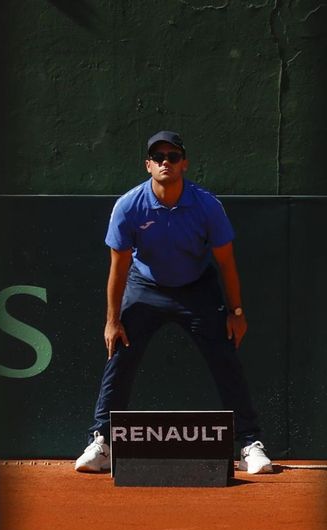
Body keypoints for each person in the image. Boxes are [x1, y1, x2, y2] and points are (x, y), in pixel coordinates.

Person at [75, 130, 273, 476]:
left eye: (173, 156)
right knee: (120, 354)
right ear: (148, 165)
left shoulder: (206, 205)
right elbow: (118, 268)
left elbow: (226, 262)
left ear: (184, 163)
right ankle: (102, 441)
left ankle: (248, 443)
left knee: (224, 357)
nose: (167, 162)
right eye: (159, 157)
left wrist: (236, 312)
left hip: (197, 288)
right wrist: (112, 320)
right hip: (144, 286)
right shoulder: (129, 206)